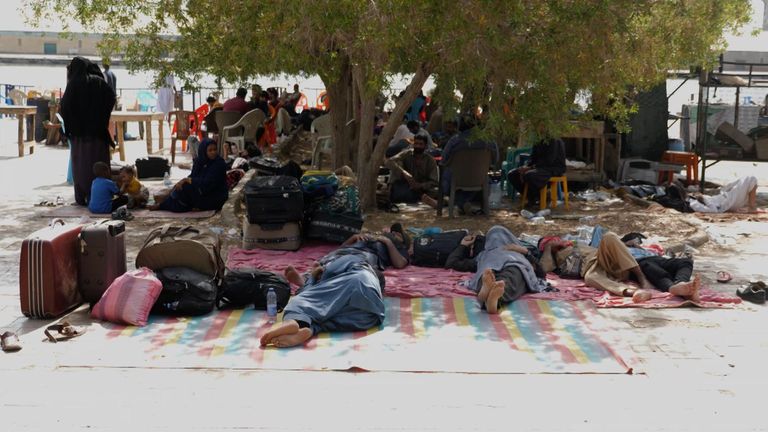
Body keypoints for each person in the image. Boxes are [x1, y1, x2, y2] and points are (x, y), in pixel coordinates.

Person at [260, 253, 385, 348]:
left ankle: (293, 321)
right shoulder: (376, 290)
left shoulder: (357, 261)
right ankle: (308, 330)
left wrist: (314, 277)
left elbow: (329, 273)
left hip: (356, 283)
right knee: (325, 319)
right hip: (371, 317)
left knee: (301, 302)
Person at [60, 56, 116, 205]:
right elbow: (111, 98)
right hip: (98, 133)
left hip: (79, 135)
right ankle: (101, 195)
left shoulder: (74, 84)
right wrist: (101, 117)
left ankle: (81, 197)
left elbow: (64, 106)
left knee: (81, 166)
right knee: (99, 164)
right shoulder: (100, 82)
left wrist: (72, 124)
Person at [459, 226, 548, 313]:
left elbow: (454, 263)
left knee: (491, 278)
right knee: (500, 280)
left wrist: (463, 245)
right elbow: (542, 273)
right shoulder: (484, 254)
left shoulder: (484, 255)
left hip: (498, 266)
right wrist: (526, 252)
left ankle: (484, 294)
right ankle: (493, 300)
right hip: (510, 266)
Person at [150, 138, 228, 212]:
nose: (213, 152)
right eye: (210, 150)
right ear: (203, 151)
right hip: (202, 191)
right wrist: (183, 181)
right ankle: (166, 204)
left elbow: (208, 183)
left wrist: (189, 181)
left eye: (214, 149)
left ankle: (163, 206)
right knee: (179, 187)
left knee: (185, 190)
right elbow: (193, 176)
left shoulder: (219, 163)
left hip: (214, 197)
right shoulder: (200, 162)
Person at [440, 115, 499, 213]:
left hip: (457, 178)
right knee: (486, 179)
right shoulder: (489, 141)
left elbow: (444, 160)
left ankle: (461, 203)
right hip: (480, 179)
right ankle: (463, 203)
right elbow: (495, 160)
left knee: (446, 177)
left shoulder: (455, 141)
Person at [579, 230, 656, 303]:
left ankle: (641, 278)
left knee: (609, 236)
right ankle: (632, 292)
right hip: (596, 267)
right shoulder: (569, 249)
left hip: (611, 262)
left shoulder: (581, 245)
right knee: (589, 278)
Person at [385, 135, 439, 208]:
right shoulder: (407, 153)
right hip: (405, 184)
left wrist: (420, 185)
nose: (418, 146)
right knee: (396, 165)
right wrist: (404, 173)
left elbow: (434, 181)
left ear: (425, 146)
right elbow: (389, 162)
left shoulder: (430, 160)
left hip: (422, 187)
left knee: (437, 192)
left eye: (420, 144)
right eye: (416, 144)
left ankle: (423, 197)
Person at [507, 138, 566, 203]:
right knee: (512, 174)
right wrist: (526, 167)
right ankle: (534, 197)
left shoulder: (554, 140)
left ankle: (537, 197)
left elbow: (549, 161)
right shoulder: (538, 140)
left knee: (529, 175)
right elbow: (533, 158)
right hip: (539, 168)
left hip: (553, 168)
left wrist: (530, 168)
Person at [688, 175, 758, 213]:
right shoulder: (692, 204)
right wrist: (703, 198)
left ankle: (751, 206)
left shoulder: (691, 200)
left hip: (723, 199)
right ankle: (752, 207)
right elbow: (713, 210)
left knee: (744, 182)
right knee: (751, 179)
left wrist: (701, 197)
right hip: (726, 203)